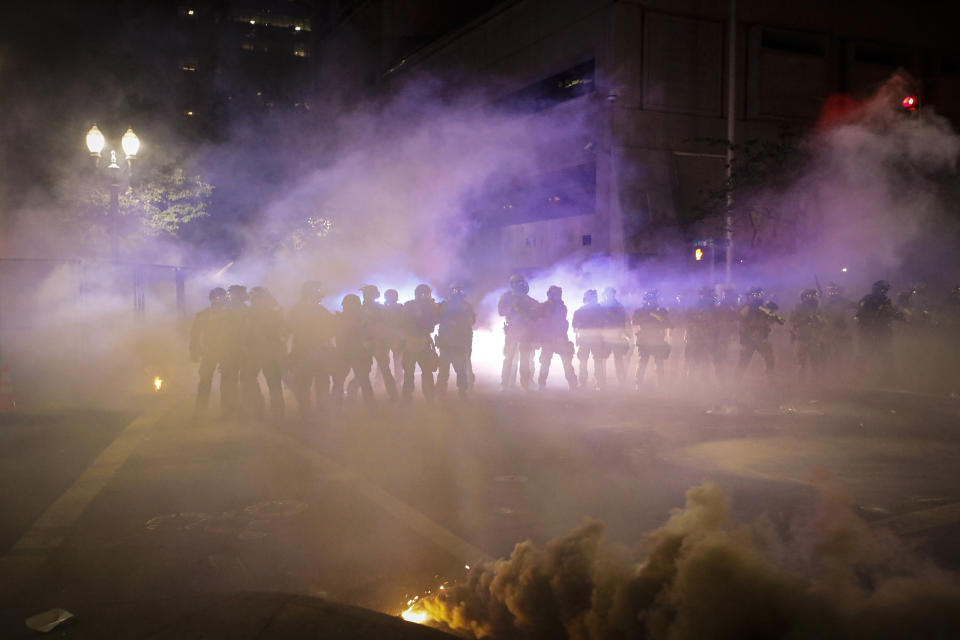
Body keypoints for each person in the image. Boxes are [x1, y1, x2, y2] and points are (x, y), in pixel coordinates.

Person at [287, 281, 335, 421]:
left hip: (317, 353)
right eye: (317, 290)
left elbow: (331, 328)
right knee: (304, 384)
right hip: (304, 352)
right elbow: (291, 328)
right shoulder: (299, 310)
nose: (320, 293)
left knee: (321, 382)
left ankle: (320, 411)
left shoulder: (319, 309)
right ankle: (307, 412)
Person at [247, 286, 287, 420]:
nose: (253, 300)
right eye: (252, 298)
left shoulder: (273, 313)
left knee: (274, 383)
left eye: (256, 297)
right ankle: (260, 408)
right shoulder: (250, 313)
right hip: (255, 353)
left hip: (269, 353)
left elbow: (282, 333)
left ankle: (277, 413)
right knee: (249, 380)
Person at [220, 285, 257, 419]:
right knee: (229, 382)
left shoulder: (248, 311)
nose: (246, 295)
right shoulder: (226, 312)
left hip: (244, 351)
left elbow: (253, 331)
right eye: (243, 293)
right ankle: (229, 412)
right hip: (231, 351)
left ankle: (244, 411)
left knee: (245, 381)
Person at [190, 287, 228, 417]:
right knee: (205, 382)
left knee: (227, 383)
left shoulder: (231, 314)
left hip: (227, 352)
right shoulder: (203, 315)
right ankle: (200, 412)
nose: (220, 300)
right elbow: (194, 334)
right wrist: (194, 351)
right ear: (212, 299)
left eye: (222, 297)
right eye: (218, 297)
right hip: (209, 351)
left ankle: (228, 412)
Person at [855, 279, 905, 377]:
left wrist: (901, 317)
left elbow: (892, 312)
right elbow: (860, 314)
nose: (884, 292)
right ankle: (857, 374)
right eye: (882, 290)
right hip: (869, 332)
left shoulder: (886, 301)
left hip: (882, 332)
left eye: (885, 291)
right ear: (876, 290)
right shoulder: (867, 299)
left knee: (886, 355)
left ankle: (889, 376)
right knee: (866, 353)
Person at [332, 294, 375, 405]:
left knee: (342, 382)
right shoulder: (361, 319)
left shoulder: (360, 319)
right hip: (349, 353)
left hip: (351, 353)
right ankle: (372, 410)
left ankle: (336, 408)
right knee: (361, 381)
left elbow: (369, 337)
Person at [498, 274, 539, 390]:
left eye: (522, 283)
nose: (521, 285)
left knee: (526, 359)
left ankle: (526, 383)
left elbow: (536, 313)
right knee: (509, 358)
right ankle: (505, 383)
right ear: (513, 285)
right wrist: (512, 309)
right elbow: (501, 312)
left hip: (526, 333)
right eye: (518, 283)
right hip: (513, 331)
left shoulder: (528, 299)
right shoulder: (506, 297)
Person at [358, 285, 399, 400]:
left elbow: (388, 326)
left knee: (371, 371)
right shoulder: (379, 309)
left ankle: (389, 396)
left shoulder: (363, 309)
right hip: (373, 343)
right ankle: (392, 396)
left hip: (374, 343)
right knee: (381, 370)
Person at [436, 282, 475, 398]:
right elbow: (436, 319)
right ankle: (441, 393)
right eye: (455, 291)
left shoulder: (466, 307)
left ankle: (462, 392)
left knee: (461, 370)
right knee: (444, 371)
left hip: (460, 344)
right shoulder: (444, 306)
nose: (457, 294)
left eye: (459, 291)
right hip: (446, 344)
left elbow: (471, 321)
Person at [402, 284, 440, 401]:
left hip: (416, 342)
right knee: (423, 372)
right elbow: (432, 324)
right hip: (419, 342)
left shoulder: (410, 305)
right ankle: (428, 397)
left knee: (413, 372)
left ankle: (409, 397)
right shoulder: (427, 307)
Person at [536, 285, 578, 390]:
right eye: (554, 294)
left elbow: (561, 323)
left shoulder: (561, 307)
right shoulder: (544, 307)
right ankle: (541, 385)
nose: (557, 296)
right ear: (549, 294)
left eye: (558, 294)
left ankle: (573, 385)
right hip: (549, 339)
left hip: (559, 338)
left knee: (566, 363)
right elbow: (540, 324)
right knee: (546, 363)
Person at [736, 286, 784, 378]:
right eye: (754, 295)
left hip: (761, 338)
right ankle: (736, 381)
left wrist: (771, 311)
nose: (756, 297)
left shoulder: (763, 308)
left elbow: (778, 320)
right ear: (749, 296)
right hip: (749, 339)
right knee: (743, 362)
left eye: (759, 295)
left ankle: (770, 378)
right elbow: (741, 320)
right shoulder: (746, 307)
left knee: (769, 358)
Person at [633, 289, 673, 387]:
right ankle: (639, 383)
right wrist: (638, 336)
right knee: (643, 362)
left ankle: (660, 384)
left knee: (658, 363)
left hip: (657, 340)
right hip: (645, 340)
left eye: (653, 299)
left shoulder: (662, 311)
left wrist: (667, 338)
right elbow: (634, 324)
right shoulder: (640, 311)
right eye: (650, 299)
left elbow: (669, 325)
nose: (652, 301)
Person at [789, 288, 828, 384]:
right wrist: (804, 320)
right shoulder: (797, 308)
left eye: (814, 296)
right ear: (804, 297)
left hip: (814, 340)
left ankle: (816, 383)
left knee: (816, 363)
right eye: (809, 296)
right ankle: (800, 384)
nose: (812, 298)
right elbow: (791, 323)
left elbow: (825, 323)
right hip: (801, 339)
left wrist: (818, 319)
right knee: (800, 364)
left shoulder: (818, 309)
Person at [572, 289, 608, 389]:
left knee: (584, 361)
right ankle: (600, 384)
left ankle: (584, 383)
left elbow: (574, 326)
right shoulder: (601, 310)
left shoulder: (580, 310)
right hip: (596, 339)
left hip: (585, 339)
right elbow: (605, 324)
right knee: (597, 361)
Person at [683, 286, 718, 383]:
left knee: (706, 361)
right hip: (696, 338)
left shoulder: (714, 309)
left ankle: (703, 381)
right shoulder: (694, 308)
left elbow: (717, 324)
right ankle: (689, 381)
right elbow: (687, 321)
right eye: (705, 295)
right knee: (693, 360)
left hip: (707, 339)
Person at [822, 282, 855, 378]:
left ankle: (839, 372)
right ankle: (828, 373)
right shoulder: (825, 301)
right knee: (828, 352)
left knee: (840, 352)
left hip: (840, 329)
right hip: (829, 330)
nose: (832, 292)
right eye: (831, 290)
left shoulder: (842, 301)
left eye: (834, 290)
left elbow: (854, 305)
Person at [600, 287, 630, 387]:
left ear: (613, 294)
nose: (609, 295)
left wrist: (626, 333)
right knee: (602, 360)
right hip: (605, 337)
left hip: (617, 336)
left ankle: (621, 382)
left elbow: (625, 320)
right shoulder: (601, 305)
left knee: (618, 360)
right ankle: (601, 382)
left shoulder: (619, 306)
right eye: (607, 293)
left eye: (610, 293)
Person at [382, 289, 405, 385]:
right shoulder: (399, 308)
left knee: (385, 362)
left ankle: (380, 382)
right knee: (395, 362)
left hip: (391, 338)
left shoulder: (385, 309)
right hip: (393, 338)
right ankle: (398, 382)